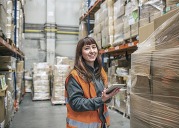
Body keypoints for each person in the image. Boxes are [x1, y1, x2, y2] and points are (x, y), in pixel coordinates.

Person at [65, 37, 120, 128]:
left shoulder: (100, 72)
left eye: (94, 47)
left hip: (100, 124)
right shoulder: (74, 76)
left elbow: (102, 95)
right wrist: (101, 99)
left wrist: (109, 95)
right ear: (80, 53)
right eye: (87, 48)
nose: (92, 51)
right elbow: (76, 103)